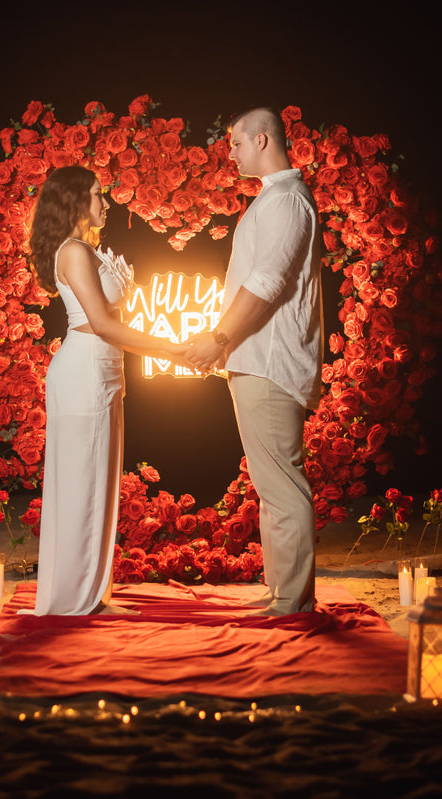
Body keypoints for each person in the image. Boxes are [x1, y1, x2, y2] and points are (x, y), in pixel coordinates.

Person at [25, 166, 187, 615]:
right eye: (98, 195)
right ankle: (79, 598)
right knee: (84, 485)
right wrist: (170, 349)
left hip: (102, 371)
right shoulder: (74, 252)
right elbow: (100, 323)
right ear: (75, 201)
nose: (106, 202)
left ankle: (91, 593)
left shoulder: (85, 249)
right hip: (83, 373)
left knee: (99, 484)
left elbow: (108, 327)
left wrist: (124, 374)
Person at [186, 107, 322, 616]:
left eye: (235, 143)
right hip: (255, 359)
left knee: (281, 486)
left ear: (262, 140)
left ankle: (292, 604)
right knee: (272, 486)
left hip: (269, 360)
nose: (230, 152)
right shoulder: (273, 199)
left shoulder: (286, 201)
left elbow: (267, 283)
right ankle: (285, 595)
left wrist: (218, 338)